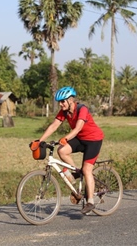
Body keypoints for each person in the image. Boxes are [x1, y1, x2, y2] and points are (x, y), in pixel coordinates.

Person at [30, 86, 104, 214]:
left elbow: (78, 128)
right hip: (81, 139)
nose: (60, 104)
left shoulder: (82, 109)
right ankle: (77, 172)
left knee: (87, 169)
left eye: (63, 101)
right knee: (62, 150)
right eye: (59, 102)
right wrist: (40, 140)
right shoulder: (64, 111)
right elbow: (54, 126)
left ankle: (90, 201)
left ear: (70, 100)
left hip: (94, 140)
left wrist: (66, 137)